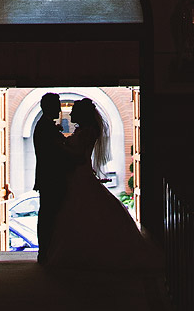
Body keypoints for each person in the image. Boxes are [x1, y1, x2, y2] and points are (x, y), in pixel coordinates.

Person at [44, 97, 163, 272]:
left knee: (83, 210)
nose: (71, 114)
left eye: (75, 111)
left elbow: (78, 155)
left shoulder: (87, 132)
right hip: (79, 173)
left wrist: (60, 145)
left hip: (80, 173)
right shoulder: (83, 130)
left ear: (83, 114)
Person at [33, 92, 72, 261]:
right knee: (49, 215)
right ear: (49, 106)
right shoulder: (45, 126)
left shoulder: (46, 125)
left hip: (49, 177)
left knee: (49, 214)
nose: (59, 108)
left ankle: (47, 251)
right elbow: (55, 154)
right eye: (57, 105)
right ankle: (45, 252)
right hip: (51, 178)